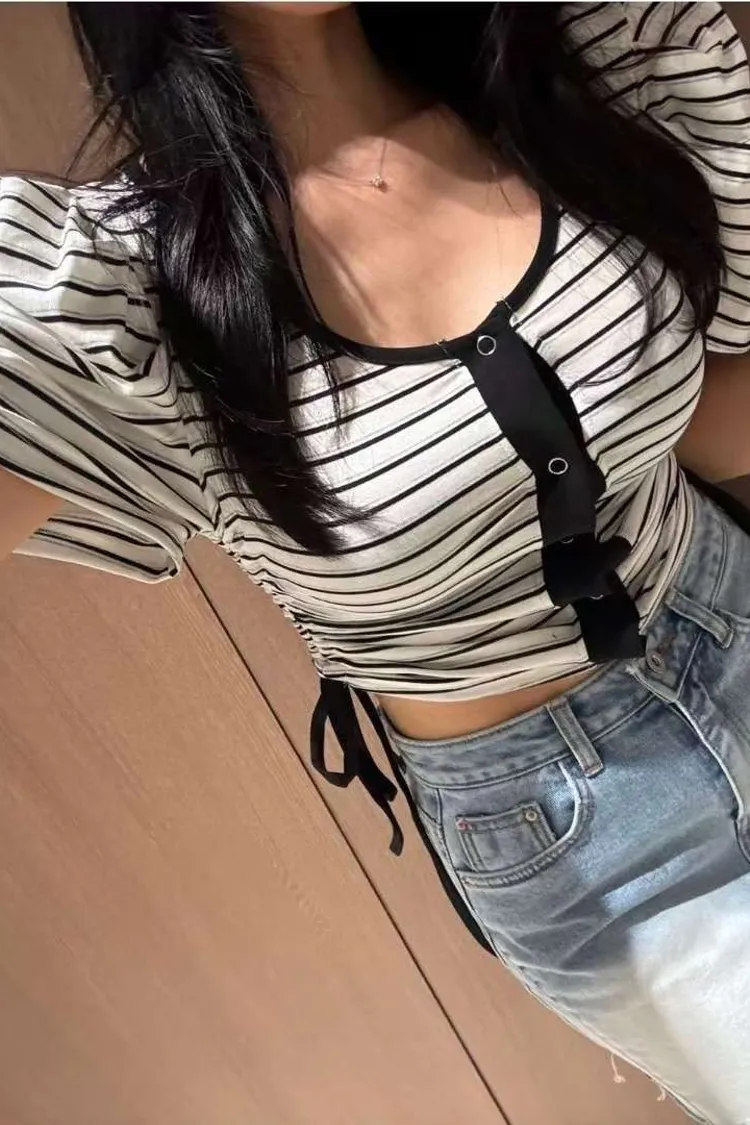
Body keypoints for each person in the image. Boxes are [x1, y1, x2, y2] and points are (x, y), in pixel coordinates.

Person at [2, 1, 750, 1119]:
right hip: (582, 836)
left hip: (728, 602)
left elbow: (709, 415)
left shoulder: (593, 58)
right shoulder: (118, 288)